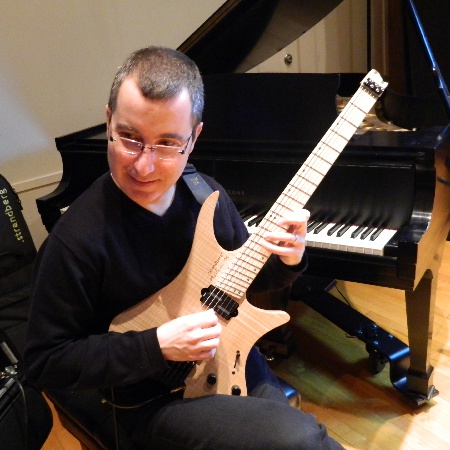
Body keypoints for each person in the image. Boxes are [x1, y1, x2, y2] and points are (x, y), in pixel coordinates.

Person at [25, 46, 343, 450]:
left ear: (194, 138)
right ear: (108, 121)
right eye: (129, 138)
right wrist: (157, 345)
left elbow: (240, 285)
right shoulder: (75, 239)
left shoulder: (206, 195)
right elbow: (44, 361)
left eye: (167, 144)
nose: (143, 165)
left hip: (229, 357)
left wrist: (288, 258)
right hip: (148, 400)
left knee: (307, 442)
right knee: (300, 439)